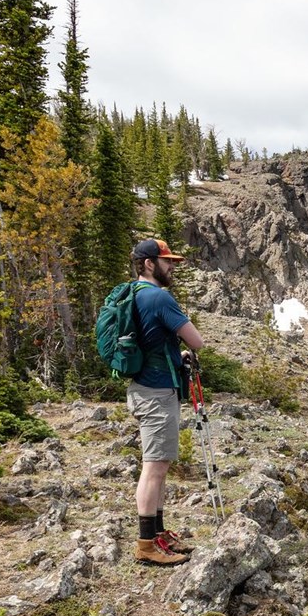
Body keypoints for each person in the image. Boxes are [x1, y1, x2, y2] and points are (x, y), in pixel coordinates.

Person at [126, 237, 205, 566]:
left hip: (146, 386)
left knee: (158, 466)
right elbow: (197, 340)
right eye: (167, 261)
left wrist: (175, 353)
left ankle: (157, 533)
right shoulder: (159, 297)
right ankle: (147, 544)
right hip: (156, 392)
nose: (172, 266)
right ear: (149, 264)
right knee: (154, 468)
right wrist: (187, 347)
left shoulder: (135, 293)